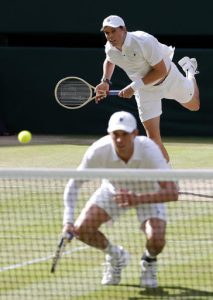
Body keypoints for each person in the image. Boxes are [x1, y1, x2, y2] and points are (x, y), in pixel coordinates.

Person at [62, 111, 178, 288]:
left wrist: (136, 199)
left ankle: (149, 261)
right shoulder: (98, 151)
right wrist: (68, 221)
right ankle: (116, 256)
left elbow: (172, 192)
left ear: (134, 134)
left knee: (156, 239)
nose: (119, 140)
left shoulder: (150, 151)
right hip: (113, 190)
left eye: (125, 134)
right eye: (115, 134)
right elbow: (73, 185)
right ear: (109, 134)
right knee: (82, 231)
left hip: (148, 192)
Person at [95, 15, 200, 162]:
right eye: (107, 32)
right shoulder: (110, 48)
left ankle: (190, 72)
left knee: (194, 106)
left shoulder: (143, 41)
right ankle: (168, 181)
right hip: (146, 91)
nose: (110, 36)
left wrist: (133, 87)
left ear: (123, 29)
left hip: (169, 78)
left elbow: (161, 71)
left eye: (113, 31)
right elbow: (110, 60)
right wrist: (105, 81)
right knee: (154, 141)